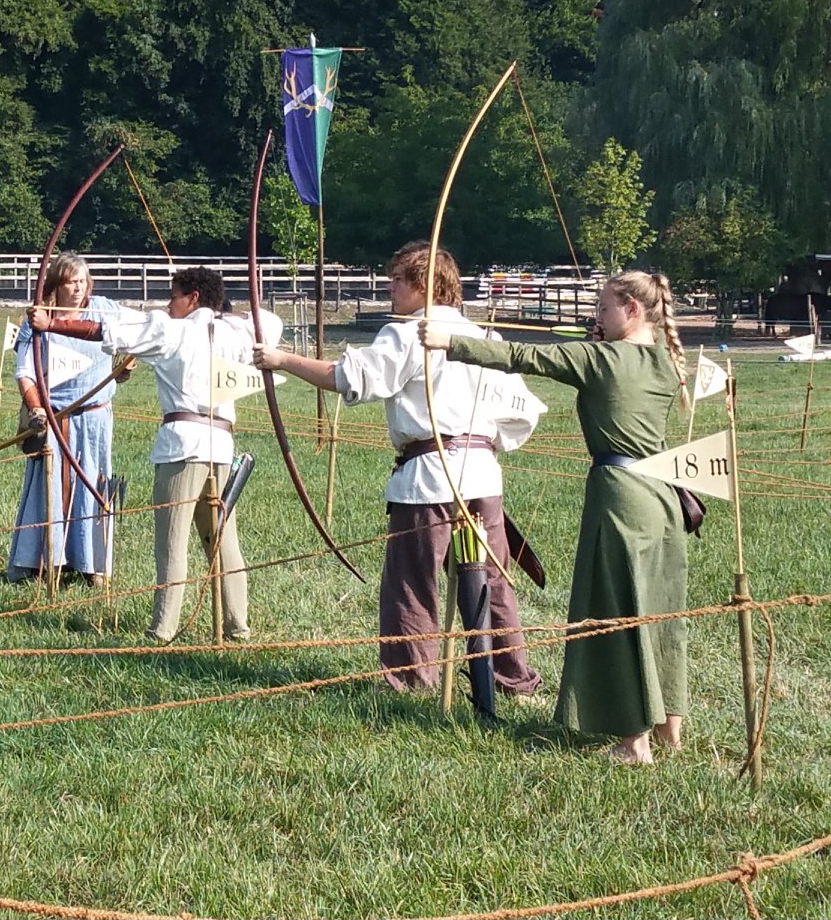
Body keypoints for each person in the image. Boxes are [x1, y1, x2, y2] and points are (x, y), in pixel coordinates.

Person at [420, 271, 691, 764]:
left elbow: (523, 357)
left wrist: (447, 342)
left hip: (620, 498)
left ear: (631, 308)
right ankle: (670, 729)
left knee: (618, 612)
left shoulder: (600, 359)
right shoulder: (668, 362)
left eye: (604, 307)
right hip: (662, 502)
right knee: (661, 610)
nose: (596, 316)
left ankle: (634, 743)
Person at [253, 243, 543, 696]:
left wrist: (281, 359)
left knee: (413, 582)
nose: (390, 287)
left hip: (428, 479)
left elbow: (346, 377)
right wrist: (481, 447)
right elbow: (522, 414)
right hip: (481, 476)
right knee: (490, 582)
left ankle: (410, 679)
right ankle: (511, 680)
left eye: (398, 280)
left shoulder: (409, 334)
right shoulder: (485, 337)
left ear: (423, 286)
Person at [31, 266, 277, 641]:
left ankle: (162, 628)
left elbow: (105, 331)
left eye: (174, 295)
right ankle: (237, 625)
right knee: (223, 538)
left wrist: (51, 325)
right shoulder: (238, 331)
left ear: (192, 298)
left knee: (171, 542)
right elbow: (269, 322)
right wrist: (219, 313)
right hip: (221, 448)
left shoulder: (172, 330)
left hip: (182, 445)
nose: (168, 302)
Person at [8, 253, 118, 585]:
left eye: (83, 281)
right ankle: (47, 562)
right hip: (55, 421)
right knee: (51, 490)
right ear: (57, 283)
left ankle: (91, 565)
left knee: (91, 486)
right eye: (71, 281)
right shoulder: (37, 318)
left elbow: (124, 339)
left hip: (95, 419)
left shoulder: (102, 309)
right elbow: (25, 372)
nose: (78, 288)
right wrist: (36, 407)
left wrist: (121, 370)